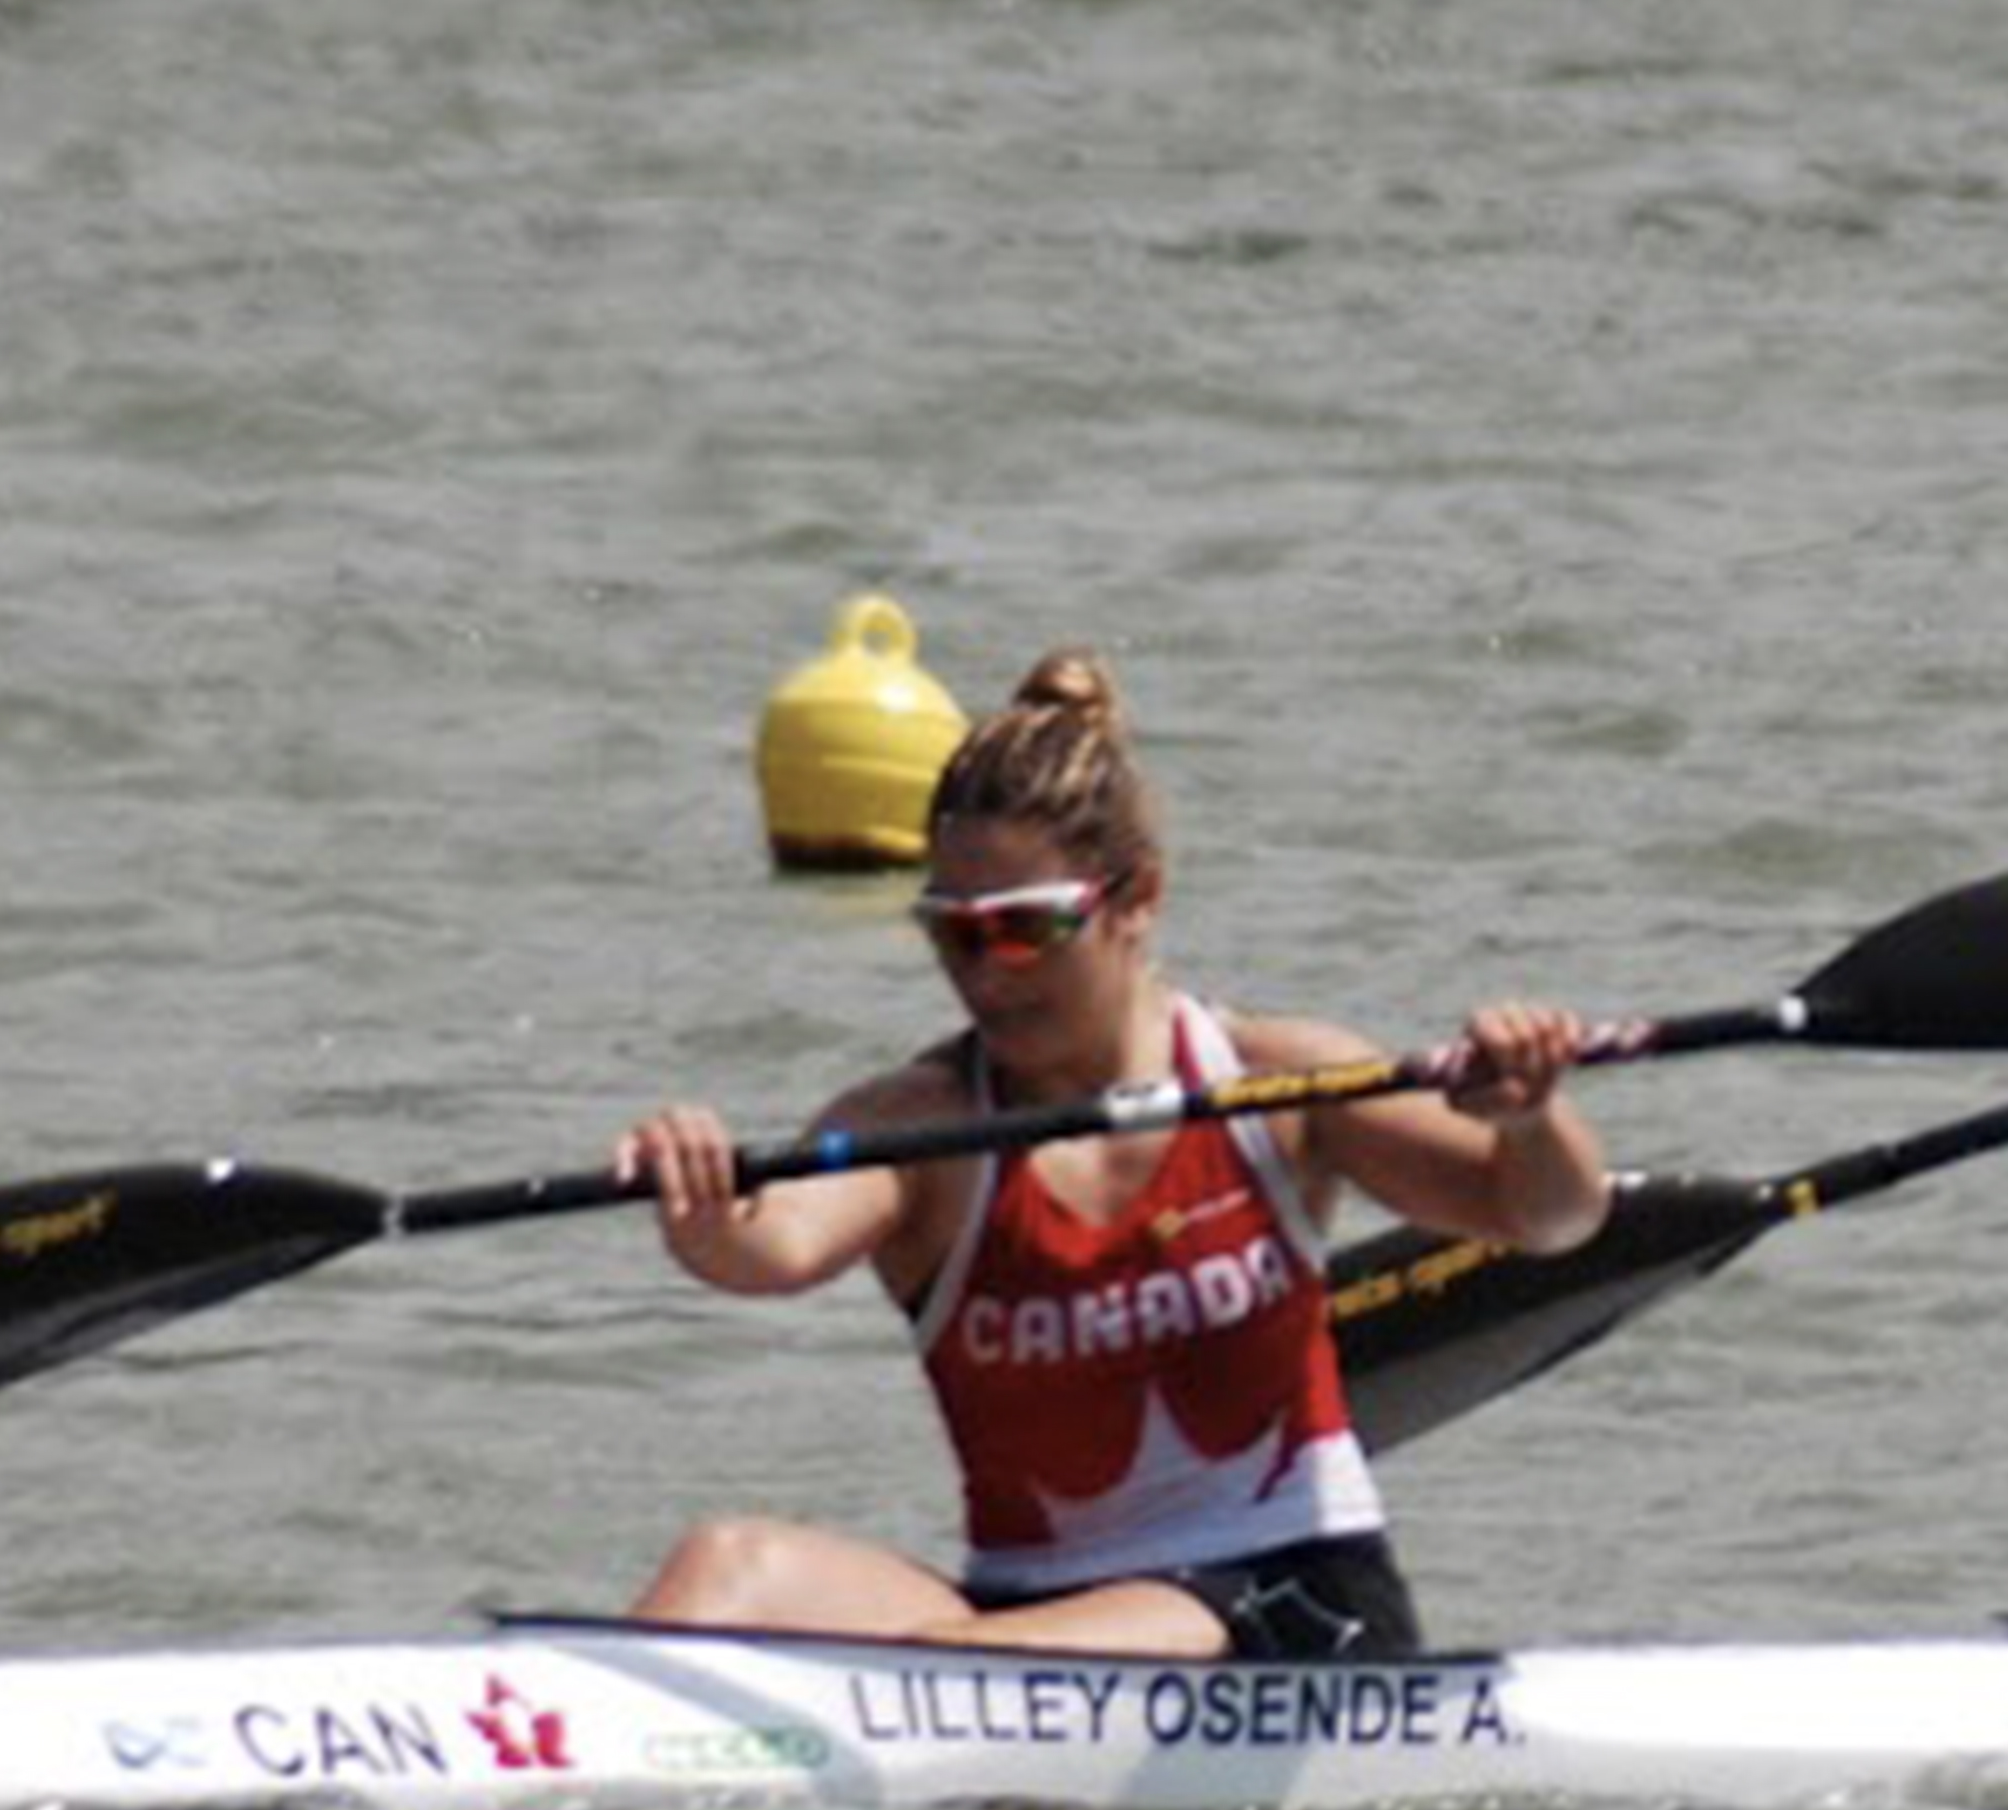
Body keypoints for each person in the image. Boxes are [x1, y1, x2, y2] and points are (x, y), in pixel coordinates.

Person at [614, 647, 1610, 1655]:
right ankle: (536, 1759)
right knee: (725, 1566)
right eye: (952, 934)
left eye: (1023, 930)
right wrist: (705, 1214)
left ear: (1138, 900)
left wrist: (1531, 1118)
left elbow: (1553, 1217)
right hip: (1027, 1612)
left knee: (959, 1659)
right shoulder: (921, 1126)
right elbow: (773, 1248)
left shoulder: (1275, 1082)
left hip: (1285, 1598)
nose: (984, 977)